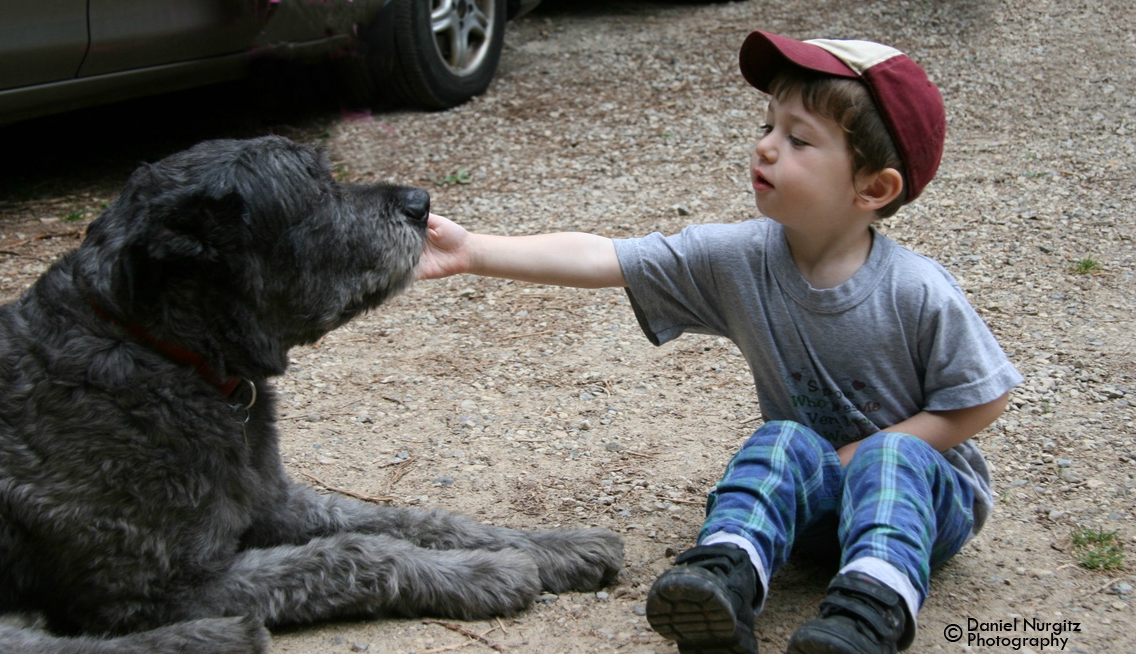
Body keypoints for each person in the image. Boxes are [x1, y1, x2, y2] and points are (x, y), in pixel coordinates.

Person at [414, 30, 1022, 654]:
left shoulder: (916, 290)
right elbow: (608, 256)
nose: (764, 146)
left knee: (890, 461)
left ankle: (870, 614)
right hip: (809, 507)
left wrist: (861, 456)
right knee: (780, 440)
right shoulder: (740, 258)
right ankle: (724, 577)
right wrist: (473, 250)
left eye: (798, 139)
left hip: (919, 508)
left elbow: (981, 400)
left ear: (873, 189)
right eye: (767, 125)